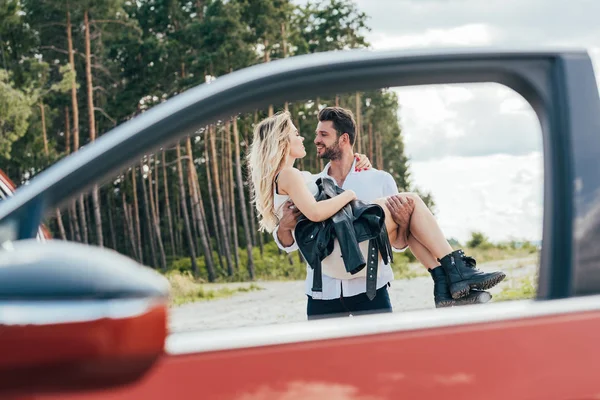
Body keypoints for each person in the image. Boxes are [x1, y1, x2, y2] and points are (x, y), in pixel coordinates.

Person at [247, 107, 505, 319]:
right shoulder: (297, 176)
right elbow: (312, 216)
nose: (307, 138)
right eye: (296, 134)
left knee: (407, 209)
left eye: (322, 134)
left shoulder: (368, 177)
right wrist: (347, 195)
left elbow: (399, 243)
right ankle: (455, 271)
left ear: (344, 139)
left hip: (357, 266)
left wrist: (401, 224)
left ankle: (444, 283)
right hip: (336, 257)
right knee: (412, 200)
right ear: (282, 141)